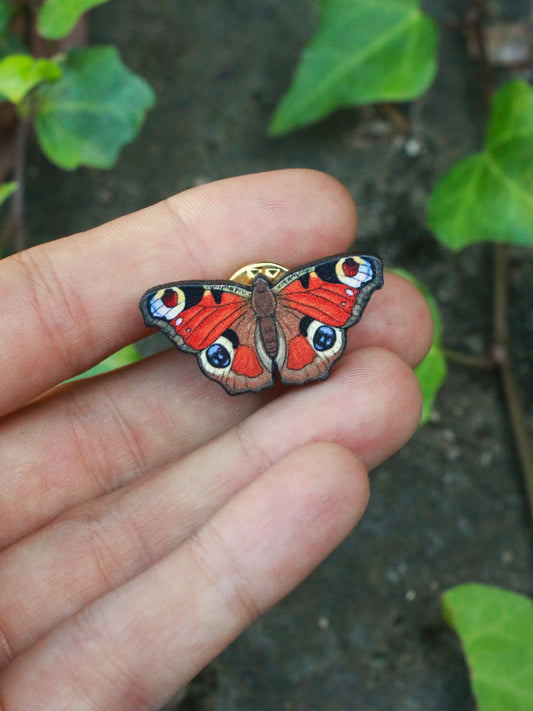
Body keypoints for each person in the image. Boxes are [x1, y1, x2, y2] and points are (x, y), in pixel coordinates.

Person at [0, 170, 432, 709]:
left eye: (353, 278)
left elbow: (176, 303)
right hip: (302, 328)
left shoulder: (209, 301)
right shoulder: (309, 286)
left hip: (255, 339)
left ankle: (276, 358)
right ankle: (292, 355)